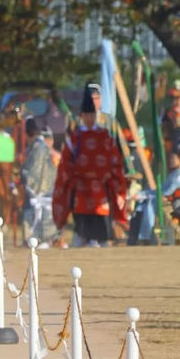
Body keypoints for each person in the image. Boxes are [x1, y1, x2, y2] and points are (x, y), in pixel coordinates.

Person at [52, 83, 128, 247]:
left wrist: (113, 177)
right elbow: (65, 162)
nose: (89, 118)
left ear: (96, 115)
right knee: (82, 231)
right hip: (81, 188)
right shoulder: (75, 137)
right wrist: (71, 179)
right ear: (82, 116)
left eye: (92, 115)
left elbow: (115, 159)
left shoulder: (105, 135)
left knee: (101, 229)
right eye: (86, 115)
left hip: (101, 189)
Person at [20, 120, 58, 246]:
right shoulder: (40, 146)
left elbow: (33, 172)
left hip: (38, 193)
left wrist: (23, 175)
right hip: (42, 192)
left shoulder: (38, 147)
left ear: (27, 134)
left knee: (38, 230)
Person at [162, 81, 180, 161]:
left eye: (178, 98)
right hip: (172, 145)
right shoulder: (169, 113)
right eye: (173, 98)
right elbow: (174, 126)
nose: (175, 101)